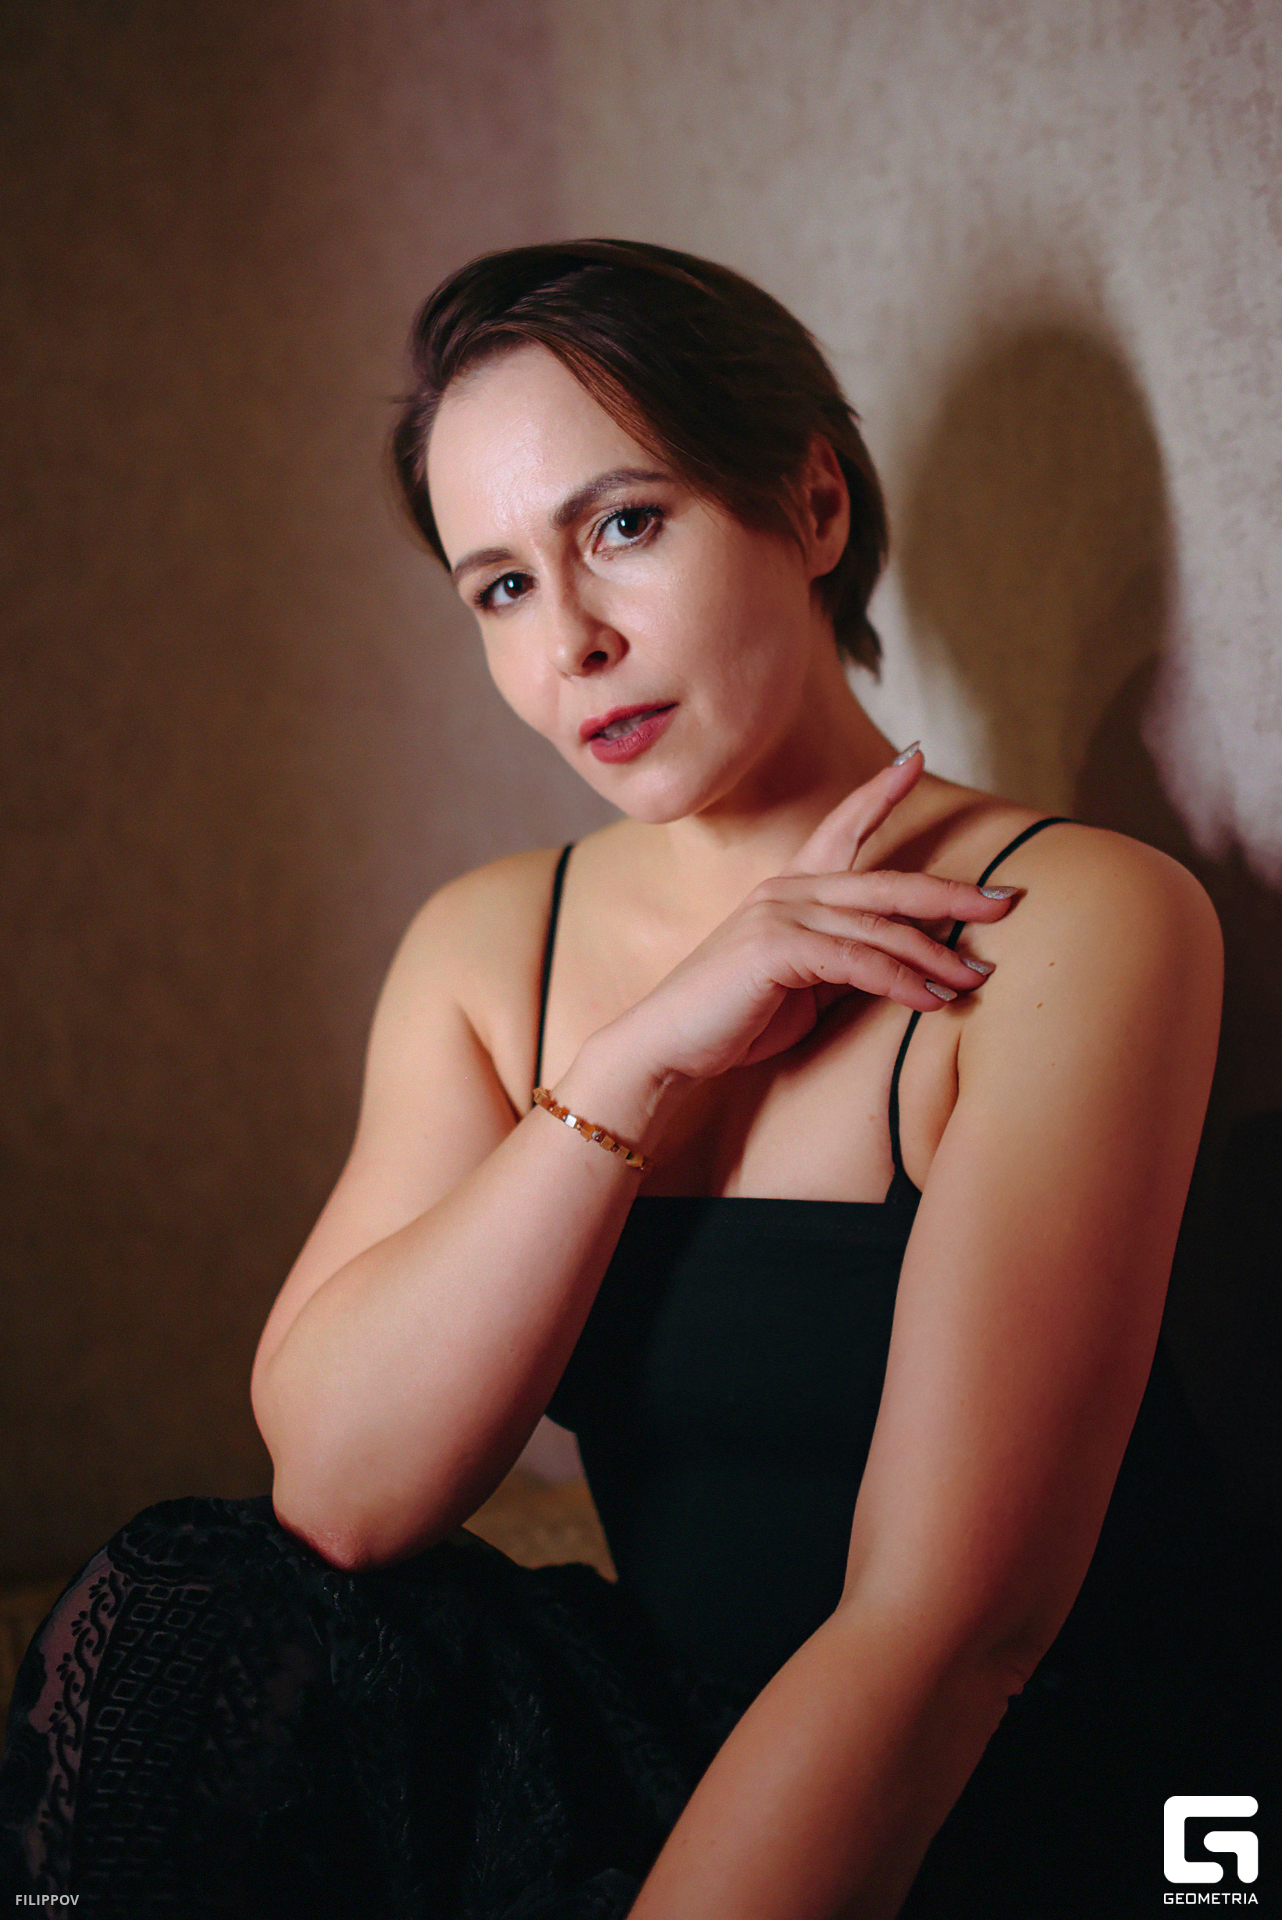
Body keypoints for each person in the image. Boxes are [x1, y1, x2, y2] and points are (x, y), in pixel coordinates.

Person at [1, 240, 1272, 1920]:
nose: (571, 642)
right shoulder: (488, 946)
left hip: (1042, 1767)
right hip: (674, 1730)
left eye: (621, 526)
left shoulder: (1074, 919)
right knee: (192, 1593)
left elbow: (956, 1628)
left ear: (811, 505)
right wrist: (636, 1060)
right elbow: (343, 1494)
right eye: (499, 587)